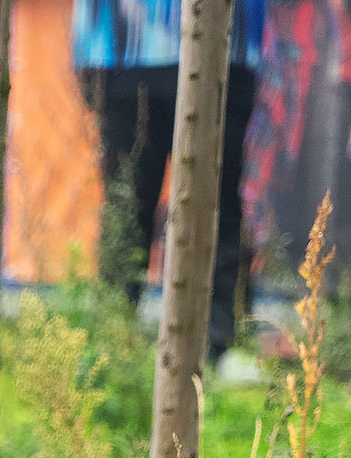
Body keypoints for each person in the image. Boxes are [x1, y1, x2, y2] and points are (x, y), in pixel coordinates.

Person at [74, 0, 268, 367]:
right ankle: (110, 342)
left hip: (225, 44)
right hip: (124, 47)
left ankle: (220, 341)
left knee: (216, 204)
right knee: (127, 206)